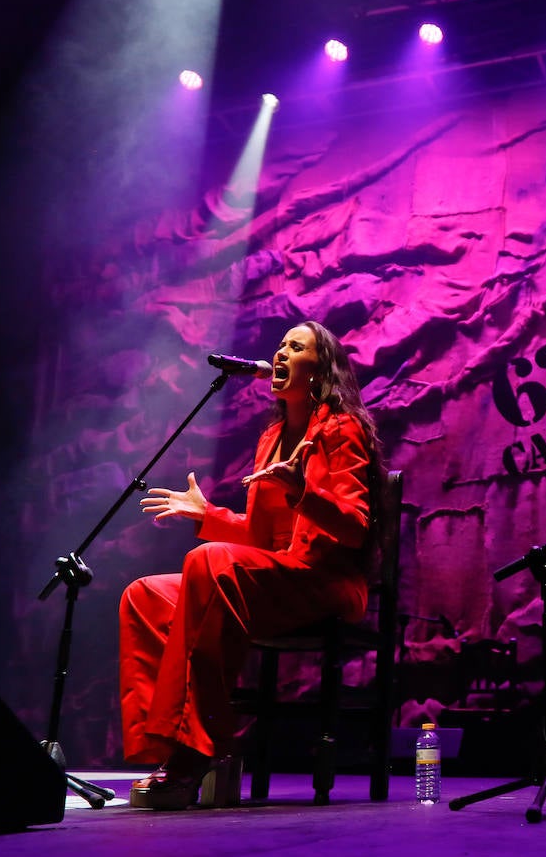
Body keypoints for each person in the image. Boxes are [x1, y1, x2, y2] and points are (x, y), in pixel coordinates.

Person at [119, 320, 383, 810]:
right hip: (275, 576)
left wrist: (304, 492)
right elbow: (261, 539)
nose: (280, 352)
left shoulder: (340, 429)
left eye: (295, 346)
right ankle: (177, 741)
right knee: (145, 595)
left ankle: (193, 752)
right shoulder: (273, 437)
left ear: (319, 367)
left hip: (324, 581)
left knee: (210, 562)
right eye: (279, 344)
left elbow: (356, 526)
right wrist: (209, 516)